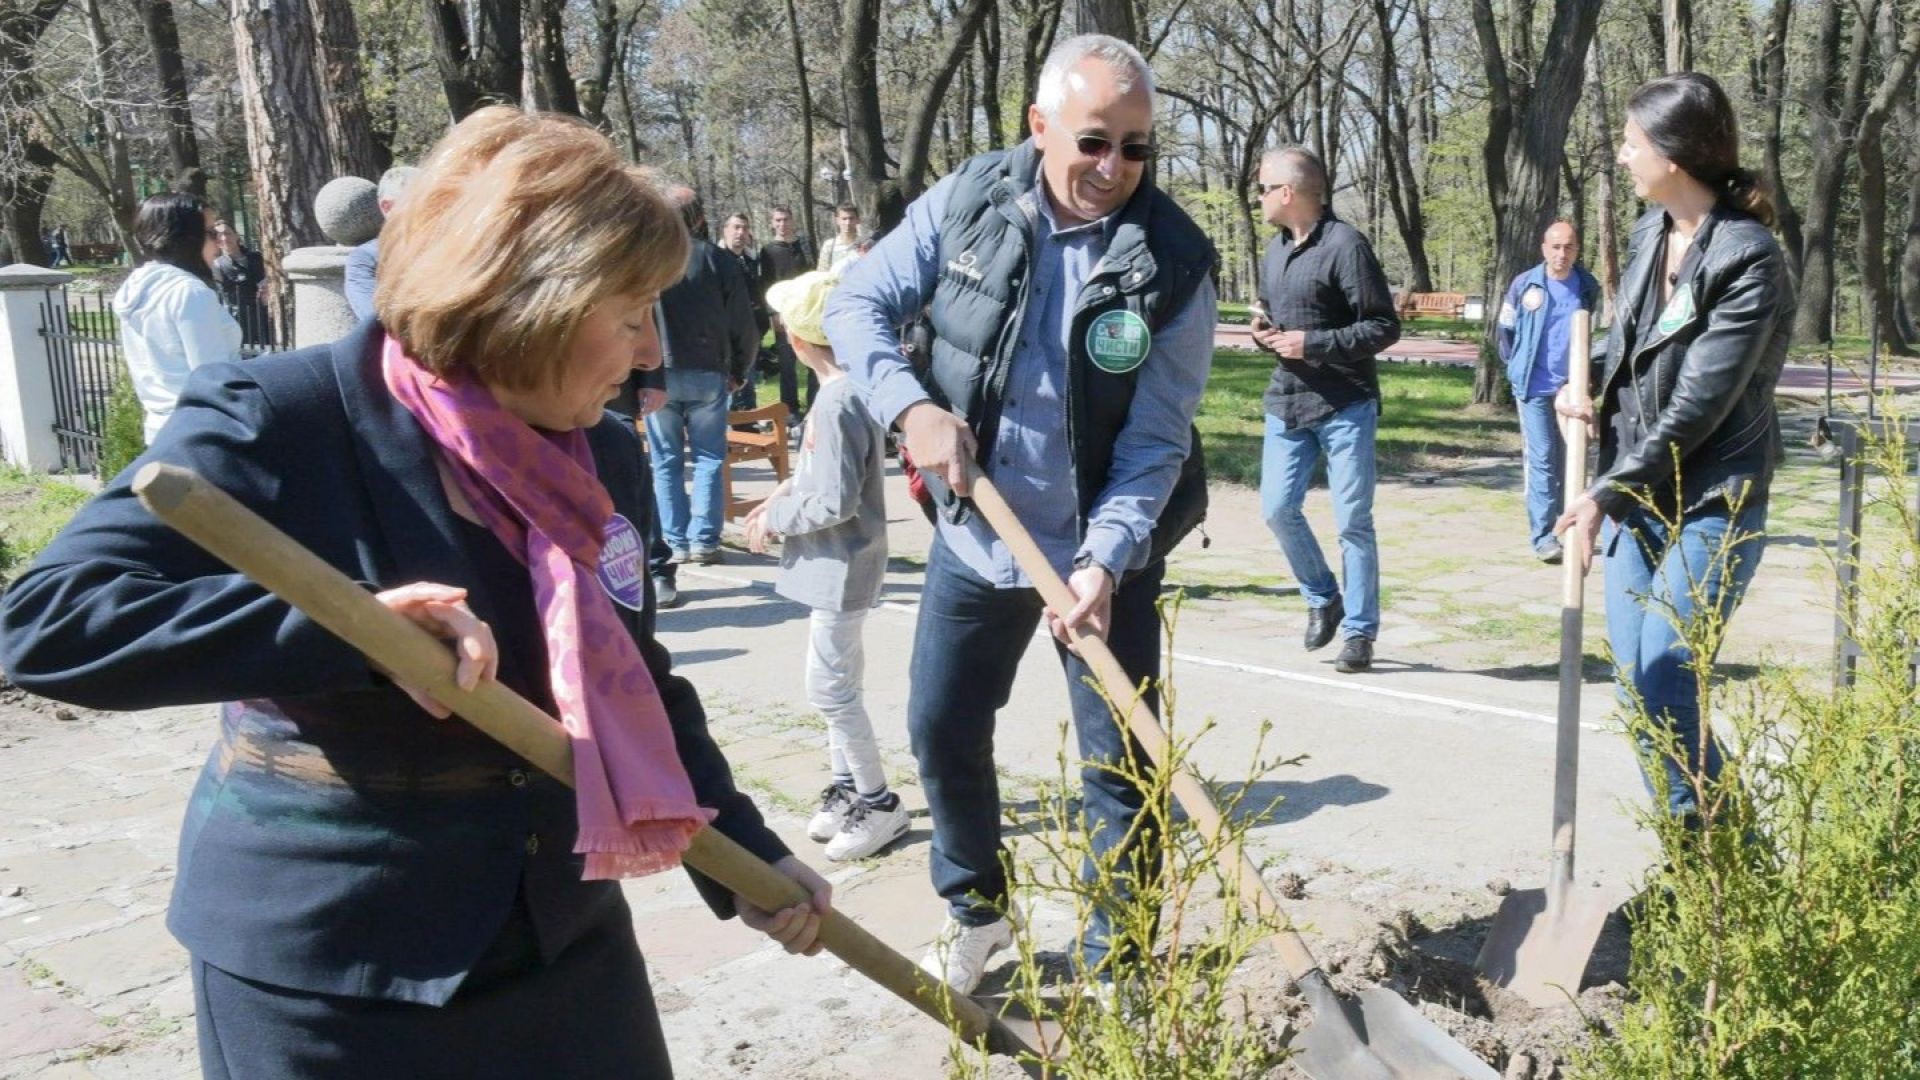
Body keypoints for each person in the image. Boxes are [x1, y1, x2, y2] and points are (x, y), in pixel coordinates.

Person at [0, 107, 830, 1078]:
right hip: (334, 967)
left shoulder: (598, 454)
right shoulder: (286, 420)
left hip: (559, 941)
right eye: (629, 313)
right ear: (533, 302)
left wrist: (744, 853)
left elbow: (632, 675)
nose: (651, 351)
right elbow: (47, 621)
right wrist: (346, 628)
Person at [826, 33, 1214, 994]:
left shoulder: (1174, 262)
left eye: (1135, 148)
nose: (1112, 168)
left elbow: (1157, 438)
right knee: (942, 728)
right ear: (1040, 127)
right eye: (1092, 141)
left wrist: (1106, 561)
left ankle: (1118, 962)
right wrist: (911, 408)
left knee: (1119, 758)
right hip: (976, 531)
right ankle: (978, 915)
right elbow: (857, 305)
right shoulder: (968, 203)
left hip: (1099, 551)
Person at [1554, 72, 1793, 824]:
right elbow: (1634, 347)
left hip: (1710, 498)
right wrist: (1585, 382)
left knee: (1664, 678)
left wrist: (1603, 492)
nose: (1622, 158)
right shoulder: (1650, 232)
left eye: (1631, 145)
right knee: (1636, 687)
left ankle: (1728, 874)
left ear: (1675, 156)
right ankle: (1697, 869)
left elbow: (1699, 403)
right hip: (1640, 494)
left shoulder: (1749, 258)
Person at [743, 269, 908, 863]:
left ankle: (879, 803)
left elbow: (836, 498)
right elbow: (820, 473)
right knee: (836, 686)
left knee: (831, 691)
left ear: (798, 338)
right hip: (835, 565)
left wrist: (775, 519)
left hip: (843, 565)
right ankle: (846, 790)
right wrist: (781, 491)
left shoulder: (839, 401)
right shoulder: (841, 390)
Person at [1250, 146, 1400, 674]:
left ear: (1288, 193)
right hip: (1286, 400)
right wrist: (1265, 332)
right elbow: (1276, 318)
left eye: (1264, 188)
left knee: (1353, 522)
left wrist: (1312, 343)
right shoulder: (1274, 250)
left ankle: (1359, 630)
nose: (1260, 198)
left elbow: (1383, 326)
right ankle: (1322, 595)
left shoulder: (1346, 246)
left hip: (1345, 404)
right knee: (1275, 508)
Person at [647, 185, 760, 566]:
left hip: (659, 372)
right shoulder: (719, 260)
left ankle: (675, 541)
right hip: (709, 371)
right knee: (710, 457)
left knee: (666, 460)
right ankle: (703, 540)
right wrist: (740, 370)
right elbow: (743, 322)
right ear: (698, 217)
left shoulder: (651, 261)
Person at [1496, 221, 1602, 564]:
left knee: (1568, 461)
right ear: (1544, 248)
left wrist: (1582, 382)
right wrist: (1517, 367)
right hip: (1533, 388)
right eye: (1555, 247)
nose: (1561, 254)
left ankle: (1565, 523)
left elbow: (1593, 337)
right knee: (1542, 461)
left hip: (1570, 390)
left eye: (1568, 247)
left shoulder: (1586, 287)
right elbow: (1505, 332)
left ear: (1577, 250)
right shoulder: (1524, 285)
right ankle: (1544, 536)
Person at [113, 193, 244, 445]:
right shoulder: (189, 292)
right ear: (185, 237)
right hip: (203, 433)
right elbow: (212, 379)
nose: (219, 242)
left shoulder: (137, 288)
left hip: (160, 429)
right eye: (210, 233)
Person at [760, 206, 819, 420]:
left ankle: (813, 405)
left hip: (806, 312)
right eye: (778, 220)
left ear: (792, 220)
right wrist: (772, 313)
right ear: (772, 223)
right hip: (782, 313)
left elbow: (814, 277)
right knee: (787, 363)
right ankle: (790, 409)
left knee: (814, 360)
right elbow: (766, 283)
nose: (782, 224)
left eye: (785, 219)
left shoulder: (805, 246)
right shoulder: (768, 251)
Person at [345, 164, 419, 321]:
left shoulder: (450, 250)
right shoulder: (367, 258)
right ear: (388, 207)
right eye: (419, 202)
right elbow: (376, 320)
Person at [720, 212, 771, 417]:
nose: (740, 233)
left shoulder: (749, 260)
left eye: (745, 228)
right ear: (725, 230)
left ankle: (749, 423)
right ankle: (735, 431)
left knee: (747, 382)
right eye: (736, 227)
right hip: (725, 336)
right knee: (730, 387)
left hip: (748, 333)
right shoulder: (716, 259)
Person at [211, 220, 272, 347]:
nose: (224, 238)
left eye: (227, 233)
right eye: (219, 235)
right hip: (237, 320)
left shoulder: (256, 258)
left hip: (263, 316)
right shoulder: (217, 265)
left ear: (236, 235)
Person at [816, 203, 864, 273]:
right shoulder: (829, 246)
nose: (848, 223)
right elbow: (821, 273)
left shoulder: (865, 244)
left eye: (851, 218)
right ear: (837, 221)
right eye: (844, 219)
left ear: (858, 220)